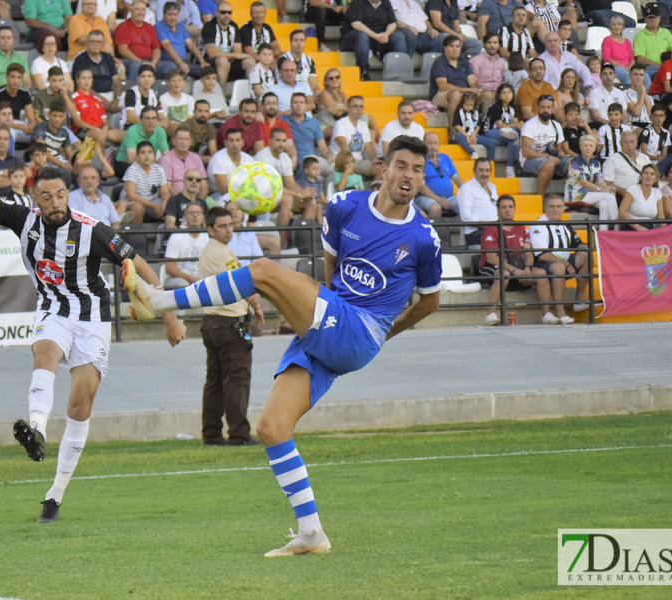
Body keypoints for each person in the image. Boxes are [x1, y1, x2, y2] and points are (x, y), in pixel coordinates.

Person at [124, 135, 443, 557]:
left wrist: (383, 332)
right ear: (384, 169)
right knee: (272, 429)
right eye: (402, 166)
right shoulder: (345, 205)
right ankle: (311, 534)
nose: (409, 176)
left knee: (261, 270)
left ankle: (160, 300)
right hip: (329, 319)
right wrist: (321, 308)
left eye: (418, 170)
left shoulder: (423, 237)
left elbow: (431, 300)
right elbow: (331, 272)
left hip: (357, 331)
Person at [0, 142, 185, 524]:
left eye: (59, 195)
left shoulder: (93, 230)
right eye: (46, 196)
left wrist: (168, 315)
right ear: (34, 200)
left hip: (92, 318)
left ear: (67, 196)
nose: (54, 202)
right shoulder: (22, 220)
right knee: (45, 354)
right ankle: (35, 429)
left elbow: (138, 263)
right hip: (52, 309)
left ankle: (54, 495)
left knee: (80, 406)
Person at [197, 204, 263, 445]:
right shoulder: (222, 253)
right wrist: (256, 304)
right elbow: (242, 282)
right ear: (210, 229)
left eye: (231, 225)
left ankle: (211, 433)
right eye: (222, 226)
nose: (228, 230)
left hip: (211, 321)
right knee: (237, 379)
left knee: (214, 381)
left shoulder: (210, 251)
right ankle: (238, 434)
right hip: (228, 322)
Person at [529, 194, 589, 325]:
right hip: (543, 265)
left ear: (563, 209)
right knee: (559, 267)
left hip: (564, 262)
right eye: (552, 207)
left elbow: (577, 242)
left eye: (559, 206)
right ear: (545, 208)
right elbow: (542, 255)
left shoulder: (565, 225)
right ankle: (561, 312)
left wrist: (583, 247)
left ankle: (579, 300)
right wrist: (567, 264)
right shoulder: (537, 226)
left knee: (587, 256)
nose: (556, 210)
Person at [478, 194, 536, 325]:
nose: (508, 210)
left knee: (541, 274)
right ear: (498, 211)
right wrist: (515, 270)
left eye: (510, 207)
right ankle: (490, 314)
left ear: (515, 209)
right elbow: (492, 258)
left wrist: (527, 268)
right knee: (504, 274)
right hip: (491, 266)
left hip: (516, 266)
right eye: (504, 207)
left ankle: (547, 314)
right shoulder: (491, 229)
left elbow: (528, 253)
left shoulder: (521, 228)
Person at [520, 95, 570, 202]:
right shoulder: (530, 125)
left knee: (573, 164)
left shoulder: (556, 125)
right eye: (542, 107)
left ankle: (570, 200)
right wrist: (548, 157)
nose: (545, 110)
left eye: (548, 107)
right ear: (537, 108)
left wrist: (561, 153)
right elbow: (525, 152)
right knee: (549, 164)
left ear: (553, 109)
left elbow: (559, 149)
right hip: (530, 161)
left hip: (552, 159)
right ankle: (540, 200)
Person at [342, 0, 406, 81]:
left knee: (398, 36)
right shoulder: (357, 3)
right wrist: (375, 36)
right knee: (362, 36)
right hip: (356, 36)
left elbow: (392, 22)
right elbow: (356, 24)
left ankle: (400, 72)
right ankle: (363, 72)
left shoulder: (385, 3)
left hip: (379, 36)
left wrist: (386, 34)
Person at [567, 135, 619, 229]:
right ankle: (617, 227)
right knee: (610, 196)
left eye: (591, 145)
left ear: (594, 148)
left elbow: (599, 179)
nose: (588, 148)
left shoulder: (596, 162)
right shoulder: (575, 163)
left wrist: (607, 188)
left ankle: (604, 233)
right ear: (581, 147)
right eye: (585, 145)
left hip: (591, 194)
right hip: (577, 195)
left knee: (604, 203)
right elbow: (584, 183)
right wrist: (602, 190)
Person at [201, 1, 252, 89]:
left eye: (229, 12)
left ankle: (249, 94)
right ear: (216, 13)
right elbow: (211, 53)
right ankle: (222, 96)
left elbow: (237, 52)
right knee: (223, 60)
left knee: (250, 61)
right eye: (223, 12)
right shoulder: (209, 27)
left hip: (229, 61)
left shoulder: (234, 26)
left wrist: (233, 56)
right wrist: (233, 56)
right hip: (208, 62)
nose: (226, 15)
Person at [429, 36, 480, 121]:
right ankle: (453, 131)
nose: (455, 49)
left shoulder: (464, 61)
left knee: (488, 95)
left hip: (465, 93)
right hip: (442, 94)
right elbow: (443, 86)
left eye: (457, 46)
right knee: (456, 95)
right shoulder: (439, 63)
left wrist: (477, 89)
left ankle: (480, 129)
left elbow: (473, 82)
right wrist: (466, 90)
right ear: (445, 48)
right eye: (451, 46)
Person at [121, 140, 171, 223]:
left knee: (169, 207)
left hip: (153, 201)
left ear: (154, 156)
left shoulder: (159, 169)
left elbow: (165, 192)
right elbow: (131, 196)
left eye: (150, 152)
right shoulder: (132, 170)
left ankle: (166, 233)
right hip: (133, 202)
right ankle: (137, 235)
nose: (147, 155)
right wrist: (153, 206)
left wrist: (165, 203)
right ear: (137, 157)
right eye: (143, 152)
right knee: (137, 208)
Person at [329, 96, 379, 178]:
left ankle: (374, 189)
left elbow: (369, 147)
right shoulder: (341, 123)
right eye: (355, 106)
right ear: (347, 108)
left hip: (358, 161)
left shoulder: (363, 125)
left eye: (361, 106)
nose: (359, 109)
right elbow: (344, 146)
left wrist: (374, 159)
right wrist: (351, 165)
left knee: (381, 169)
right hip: (343, 162)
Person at [164, 201, 209, 287]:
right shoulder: (176, 236)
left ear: (203, 217)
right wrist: (191, 279)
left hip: (203, 279)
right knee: (182, 284)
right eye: (191, 213)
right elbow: (169, 268)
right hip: (181, 279)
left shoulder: (208, 237)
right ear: (184, 218)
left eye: (198, 213)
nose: (195, 215)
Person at [416, 132, 462, 218]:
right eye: (429, 143)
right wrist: (439, 200)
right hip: (425, 197)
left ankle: (466, 231)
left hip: (449, 198)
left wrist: (468, 191)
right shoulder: (419, 161)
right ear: (423, 144)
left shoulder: (445, 158)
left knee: (466, 203)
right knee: (435, 208)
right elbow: (420, 186)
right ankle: (436, 232)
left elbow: (456, 177)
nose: (432, 146)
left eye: (435, 143)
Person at [0, 64, 37, 144]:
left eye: (19, 78)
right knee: (10, 133)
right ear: (7, 77)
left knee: (39, 135)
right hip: (3, 126)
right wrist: (21, 127)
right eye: (13, 77)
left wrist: (31, 126)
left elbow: (31, 118)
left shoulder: (25, 94)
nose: (15, 81)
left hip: (19, 124)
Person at [158, 3, 207, 79]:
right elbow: (166, 46)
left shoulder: (180, 25)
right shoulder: (159, 26)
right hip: (169, 62)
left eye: (175, 14)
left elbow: (191, 45)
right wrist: (181, 63)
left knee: (205, 71)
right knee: (177, 70)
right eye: (169, 15)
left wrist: (202, 61)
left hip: (183, 61)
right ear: (164, 15)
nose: (172, 18)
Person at [457, 158, 499, 246]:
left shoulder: (493, 188)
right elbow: (466, 216)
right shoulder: (466, 188)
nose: (484, 174)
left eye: (487, 170)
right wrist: (487, 226)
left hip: (494, 229)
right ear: (474, 171)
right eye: (481, 170)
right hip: (475, 233)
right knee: (501, 238)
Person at [601, 129, 653, 198]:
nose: (629, 145)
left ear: (636, 143)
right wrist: (622, 191)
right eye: (626, 142)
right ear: (620, 143)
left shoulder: (645, 158)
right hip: (624, 196)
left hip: (646, 193)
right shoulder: (612, 160)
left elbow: (653, 175)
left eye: (632, 142)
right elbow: (606, 182)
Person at [159, 126, 207, 195]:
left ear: (190, 142)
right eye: (180, 139)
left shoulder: (196, 158)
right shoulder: (166, 159)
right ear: (174, 141)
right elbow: (167, 187)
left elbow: (204, 184)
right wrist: (182, 200)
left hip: (196, 198)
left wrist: (200, 201)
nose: (183, 142)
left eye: (186, 139)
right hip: (175, 199)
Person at [634, 4, 672, 82]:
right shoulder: (640, 36)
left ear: (659, 18)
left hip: (666, 67)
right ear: (645, 19)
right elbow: (640, 59)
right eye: (649, 17)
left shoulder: (666, 32)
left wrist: (670, 61)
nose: (652, 20)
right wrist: (660, 66)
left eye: (654, 17)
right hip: (649, 68)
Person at [618, 164, 664, 231]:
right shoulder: (633, 189)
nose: (648, 176)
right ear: (641, 176)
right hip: (631, 228)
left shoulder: (657, 193)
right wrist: (637, 227)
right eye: (646, 173)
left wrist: (666, 230)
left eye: (652, 174)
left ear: (656, 179)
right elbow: (621, 212)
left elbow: (661, 216)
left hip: (649, 229)